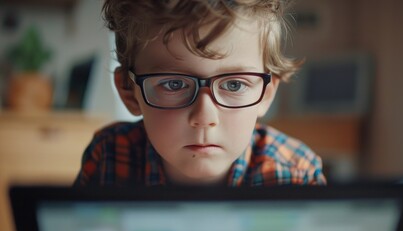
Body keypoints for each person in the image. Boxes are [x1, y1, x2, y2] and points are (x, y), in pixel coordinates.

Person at [74, 0, 326, 187]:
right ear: (129, 92)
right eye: (173, 84)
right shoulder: (108, 157)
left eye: (234, 85)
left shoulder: (294, 174)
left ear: (266, 94)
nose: (204, 117)